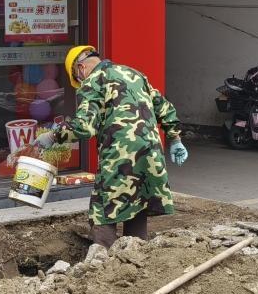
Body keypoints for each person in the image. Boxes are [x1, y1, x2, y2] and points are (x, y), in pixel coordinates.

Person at [15, 46, 188, 247]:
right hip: (151, 154)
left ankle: (102, 259)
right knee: (138, 203)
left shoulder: (93, 81)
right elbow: (164, 108)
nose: (81, 83)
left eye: (78, 79)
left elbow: (84, 127)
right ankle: (137, 255)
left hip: (120, 155)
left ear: (81, 68)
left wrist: (52, 136)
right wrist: (175, 139)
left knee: (103, 211)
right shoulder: (134, 74)